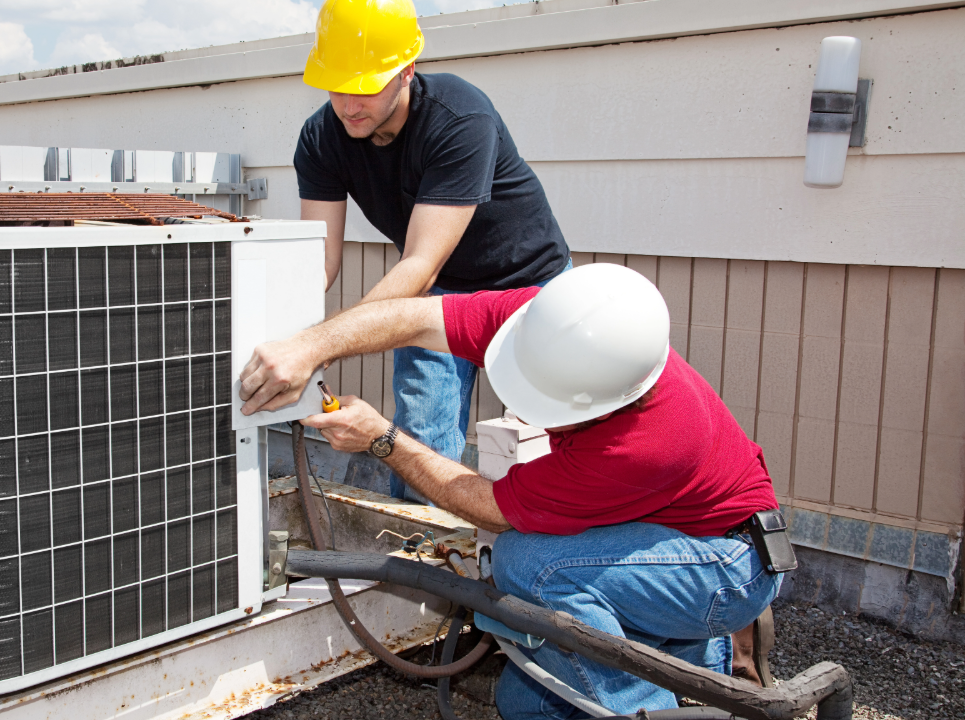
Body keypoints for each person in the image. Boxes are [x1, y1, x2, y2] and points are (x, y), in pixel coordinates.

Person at [238, 263, 783, 719]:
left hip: (724, 567)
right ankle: (677, 662)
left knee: (532, 565)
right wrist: (310, 346)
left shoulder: (644, 443)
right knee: (526, 704)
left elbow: (495, 510)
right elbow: (413, 316)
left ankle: (653, 705)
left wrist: (383, 439)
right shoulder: (552, 320)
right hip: (667, 534)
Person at [297, 0, 570, 502]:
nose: (349, 104)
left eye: (367, 86)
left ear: (406, 71)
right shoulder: (321, 137)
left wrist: (323, 342)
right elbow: (321, 260)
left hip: (530, 285)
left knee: (550, 437)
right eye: (338, 85)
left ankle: (543, 554)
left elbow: (420, 264)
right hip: (442, 292)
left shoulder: (458, 116)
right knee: (419, 437)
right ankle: (427, 561)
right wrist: (288, 334)